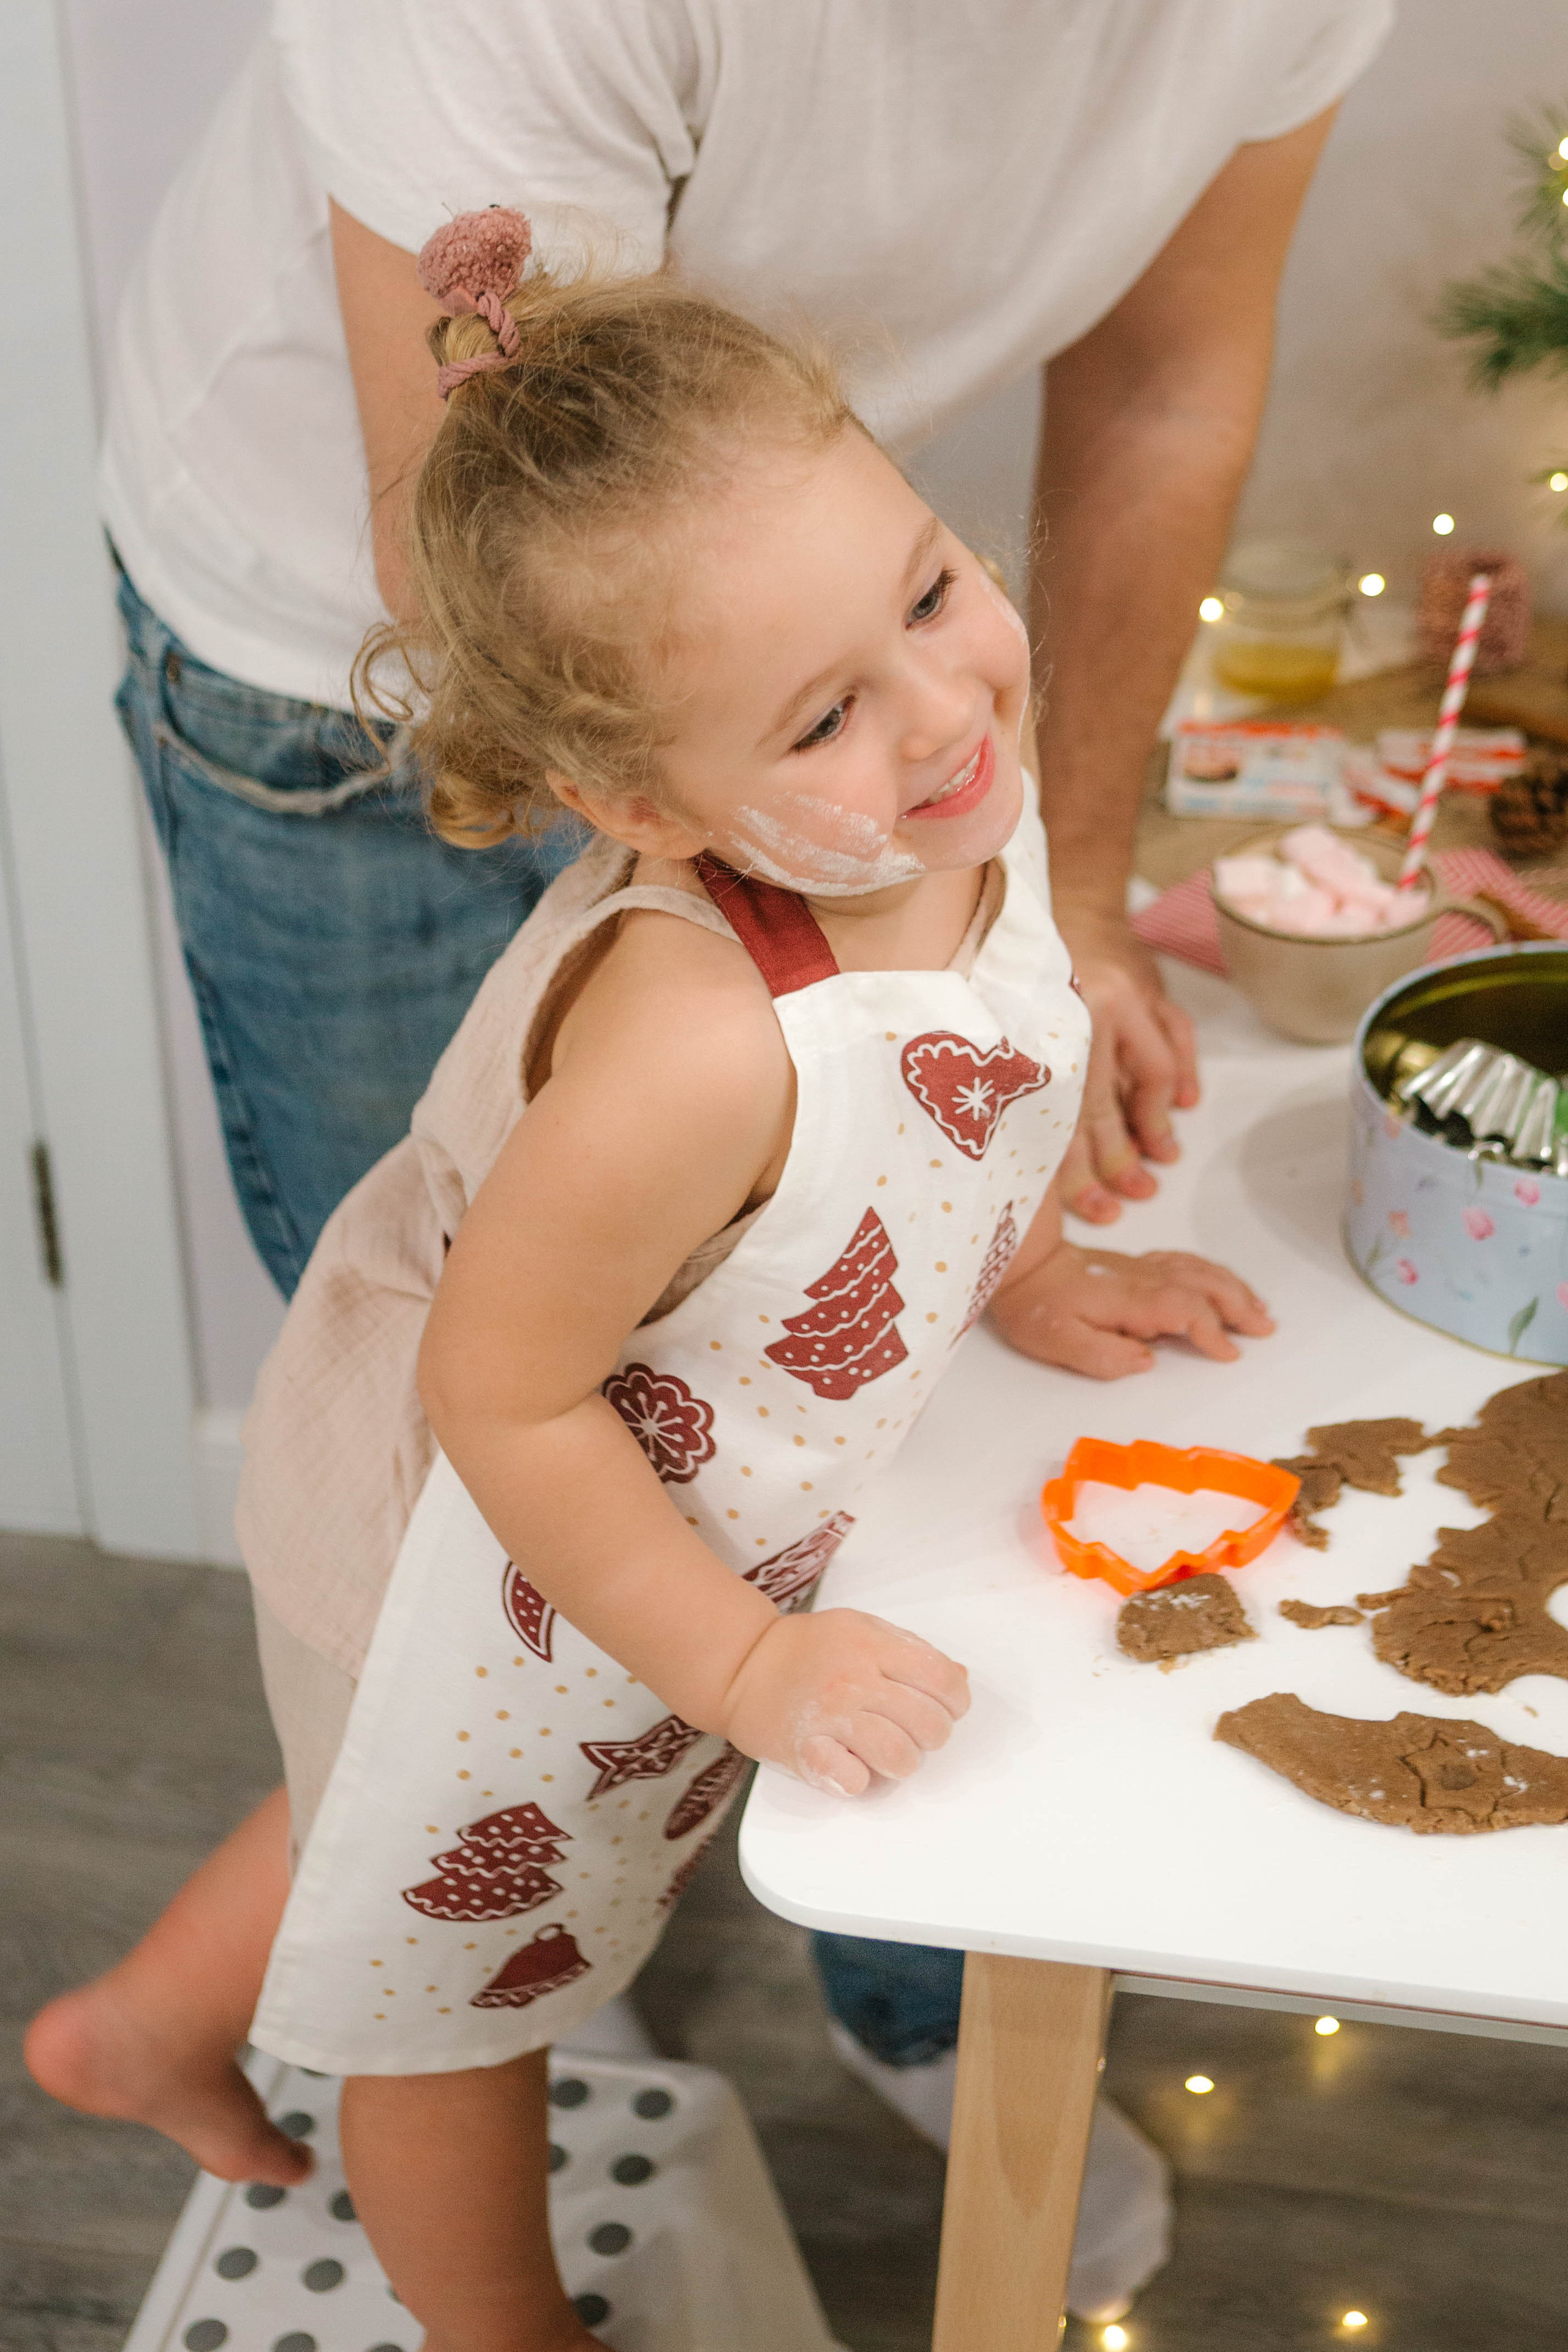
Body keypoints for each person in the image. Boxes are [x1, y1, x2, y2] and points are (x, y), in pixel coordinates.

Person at [97, 0, 1390, 2157]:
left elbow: (915, 1114)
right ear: (640, 799)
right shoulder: (690, 1058)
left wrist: (1011, 1267)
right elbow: (506, 1400)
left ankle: (150, 2014)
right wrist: (748, 1674)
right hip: (497, 1529)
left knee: (442, 1778)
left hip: (645, 1542)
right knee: (449, 1959)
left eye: (939, 586)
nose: (955, 713)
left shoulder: (938, 792)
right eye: (821, 718)